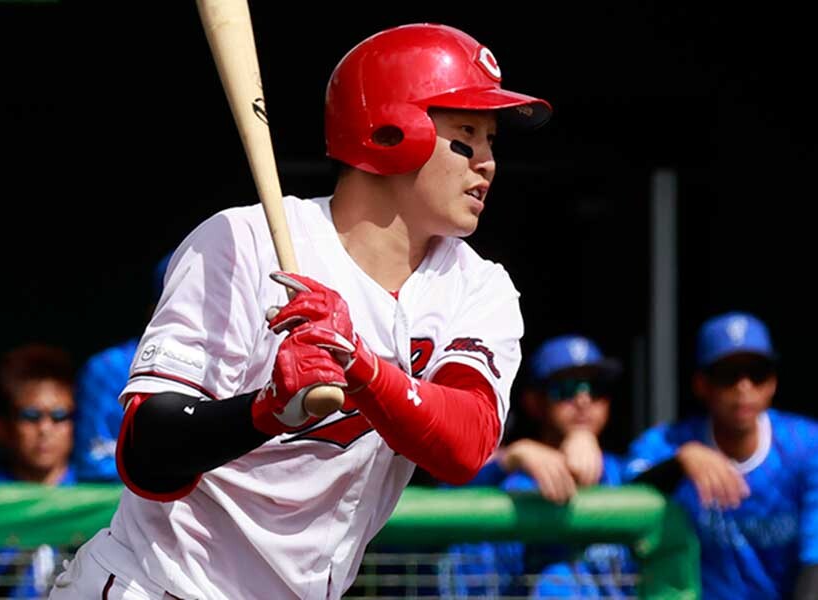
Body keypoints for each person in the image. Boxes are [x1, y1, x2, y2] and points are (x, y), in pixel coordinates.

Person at [49, 22, 552, 600]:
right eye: (466, 137)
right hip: (158, 584)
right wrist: (265, 411)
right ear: (390, 131)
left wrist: (358, 365)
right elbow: (146, 452)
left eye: (491, 142)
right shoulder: (244, 241)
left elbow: (464, 446)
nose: (487, 164)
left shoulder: (478, 287)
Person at [625, 311, 818, 600]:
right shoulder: (674, 442)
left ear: (772, 383)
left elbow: (815, 561)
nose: (744, 387)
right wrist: (679, 462)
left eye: (757, 373)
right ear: (702, 385)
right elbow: (626, 490)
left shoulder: (806, 445)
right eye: (728, 374)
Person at [441, 335, 635, 598]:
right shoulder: (511, 477)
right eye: (566, 388)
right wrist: (511, 456)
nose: (583, 400)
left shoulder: (622, 470)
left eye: (596, 388)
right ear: (534, 401)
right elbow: (445, 487)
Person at [0, 343, 77, 599]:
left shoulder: (99, 490)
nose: (45, 429)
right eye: (31, 416)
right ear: (2, 427)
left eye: (59, 416)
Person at [71, 252, 172, 482]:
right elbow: (95, 463)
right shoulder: (109, 367)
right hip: (129, 501)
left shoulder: (236, 365)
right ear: (155, 310)